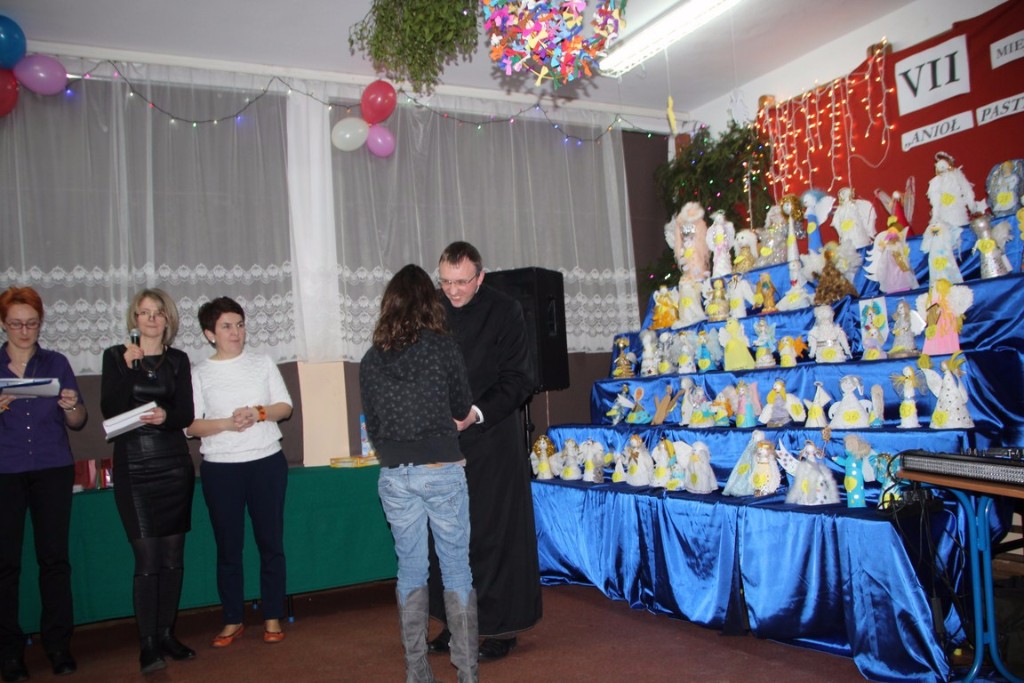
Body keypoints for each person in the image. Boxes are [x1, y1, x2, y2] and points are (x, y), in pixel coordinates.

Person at [360, 264, 478, 683]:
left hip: (395, 476)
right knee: (457, 569)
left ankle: (416, 673)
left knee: (410, 571)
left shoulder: (371, 359)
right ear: (430, 302)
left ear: (389, 304)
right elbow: (462, 407)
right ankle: (467, 674)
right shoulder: (443, 347)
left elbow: (373, 426)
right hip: (441, 469)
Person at [427, 242, 541, 661]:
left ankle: (499, 628)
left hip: (491, 438)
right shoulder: (432, 309)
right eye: (445, 282)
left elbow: (518, 380)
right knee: (445, 535)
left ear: (480, 277)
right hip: (442, 441)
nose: (453, 291)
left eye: (461, 282)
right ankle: (453, 622)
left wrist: (473, 414)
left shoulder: (506, 311)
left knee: (491, 537)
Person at [186, 297, 292, 647]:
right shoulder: (199, 373)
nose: (236, 332)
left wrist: (258, 413)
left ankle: (273, 615)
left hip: (266, 462)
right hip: (221, 469)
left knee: (270, 542)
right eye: (227, 326)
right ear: (210, 334)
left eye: (240, 324)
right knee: (228, 547)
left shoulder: (262, 363)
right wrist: (227, 424)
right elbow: (191, 426)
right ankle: (233, 618)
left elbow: (284, 407)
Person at [100, 289, 196, 673]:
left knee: (173, 557)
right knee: (147, 558)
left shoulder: (178, 360)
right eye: (144, 313)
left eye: (158, 313)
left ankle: (168, 634)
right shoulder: (115, 356)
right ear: (134, 319)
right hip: (134, 466)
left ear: (167, 319)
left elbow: (186, 412)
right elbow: (110, 409)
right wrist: (129, 368)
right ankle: (148, 644)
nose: (152, 319)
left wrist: (166, 417)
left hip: (173, 463)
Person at [0, 286, 85, 682]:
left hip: (52, 467)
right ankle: (9, 651)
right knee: (5, 564)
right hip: (6, 470)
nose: (24, 331)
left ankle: (58, 645)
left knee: (54, 560)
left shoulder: (56, 362)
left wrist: (71, 405)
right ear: (3, 324)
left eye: (31, 323)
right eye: (16, 324)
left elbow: (78, 421)